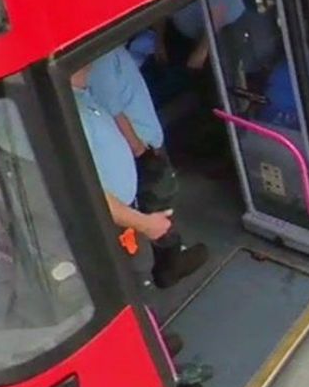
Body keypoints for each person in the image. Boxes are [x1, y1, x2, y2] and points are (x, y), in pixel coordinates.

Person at [72, 61, 208, 291]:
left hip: (125, 209)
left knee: (138, 267)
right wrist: (145, 224)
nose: (92, 63)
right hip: (117, 220)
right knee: (134, 277)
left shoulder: (82, 97)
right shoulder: (72, 114)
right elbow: (86, 187)